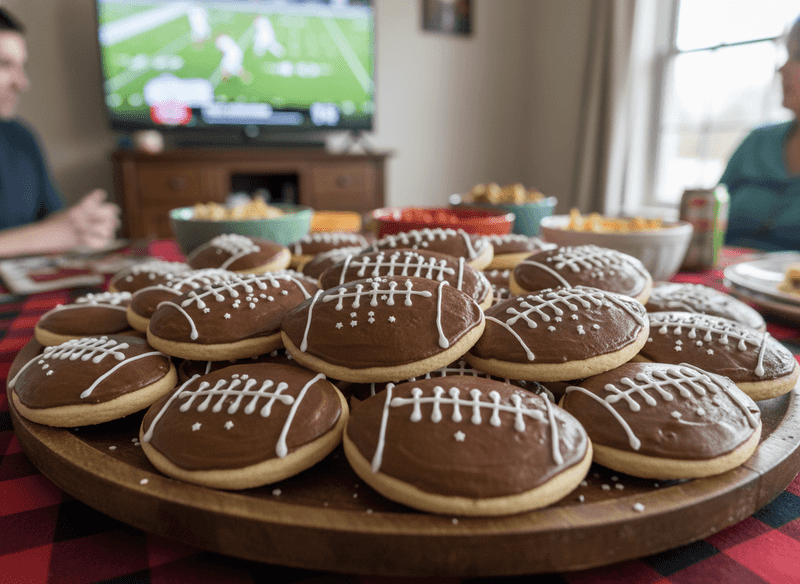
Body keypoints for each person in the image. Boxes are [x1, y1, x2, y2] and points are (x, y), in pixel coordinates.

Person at [0, 7, 120, 257]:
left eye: (21, 66)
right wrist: (48, 237)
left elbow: (51, 221)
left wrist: (82, 224)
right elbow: (49, 234)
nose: (22, 83)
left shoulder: (20, 137)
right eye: (3, 65)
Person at [720, 15, 800, 251]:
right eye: (787, 54)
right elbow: (708, 221)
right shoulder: (757, 142)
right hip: (721, 278)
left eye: (798, 56)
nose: (781, 68)